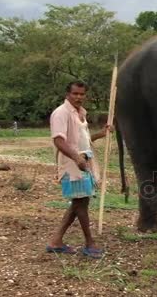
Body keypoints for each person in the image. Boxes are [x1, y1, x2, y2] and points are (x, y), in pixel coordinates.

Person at [46, 80, 113, 259]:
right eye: (75, 94)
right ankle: (89, 243)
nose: (78, 97)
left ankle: (56, 241)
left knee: (79, 203)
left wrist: (101, 133)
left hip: (84, 162)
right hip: (72, 165)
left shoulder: (80, 113)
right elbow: (59, 141)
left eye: (82, 94)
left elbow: (84, 139)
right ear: (67, 94)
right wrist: (76, 158)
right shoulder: (60, 113)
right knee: (80, 203)